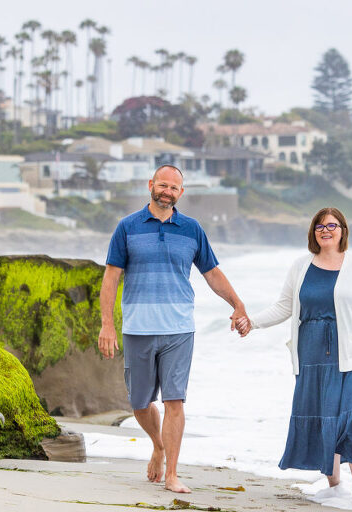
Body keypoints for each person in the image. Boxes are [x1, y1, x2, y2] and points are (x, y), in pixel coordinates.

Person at [235, 207, 352, 506]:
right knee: (325, 418)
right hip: (312, 356)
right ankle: (335, 484)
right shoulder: (300, 267)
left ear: (343, 231)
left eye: (332, 226)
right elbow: (284, 307)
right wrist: (251, 322)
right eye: (320, 226)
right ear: (313, 232)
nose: (326, 230)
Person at [98, 164, 247, 494]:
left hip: (179, 329)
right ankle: (158, 445)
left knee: (175, 402)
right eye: (162, 185)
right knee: (139, 403)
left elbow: (212, 273)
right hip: (137, 328)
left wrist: (237, 304)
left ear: (181, 193)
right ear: (151, 185)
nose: (167, 191)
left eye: (174, 188)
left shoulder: (192, 229)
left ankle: (172, 474)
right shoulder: (127, 227)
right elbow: (111, 277)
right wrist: (107, 324)